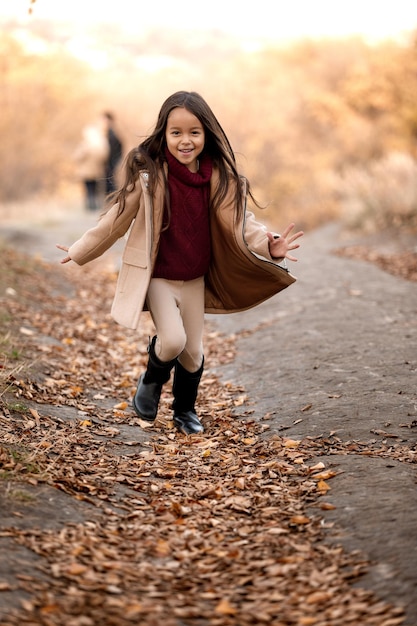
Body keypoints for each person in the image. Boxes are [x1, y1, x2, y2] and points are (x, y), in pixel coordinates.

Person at [57, 91, 303, 435]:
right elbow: (116, 219)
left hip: (195, 280)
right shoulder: (150, 176)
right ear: (164, 133)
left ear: (206, 135)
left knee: (193, 353)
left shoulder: (218, 178)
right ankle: (151, 379)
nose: (185, 141)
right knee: (171, 340)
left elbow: (242, 222)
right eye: (176, 133)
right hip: (160, 277)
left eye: (194, 132)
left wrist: (268, 245)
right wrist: (81, 249)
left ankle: (184, 411)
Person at [74, 123, 109, 211]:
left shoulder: (86, 145)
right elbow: (104, 156)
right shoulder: (101, 144)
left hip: (87, 171)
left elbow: (77, 156)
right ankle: (95, 204)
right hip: (97, 170)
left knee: (88, 188)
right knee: (95, 188)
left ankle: (90, 205)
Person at [103, 111, 123, 195]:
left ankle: (113, 197)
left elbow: (116, 148)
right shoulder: (110, 132)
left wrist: (113, 161)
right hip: (111, 161)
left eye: (104, 119)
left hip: (111, 161)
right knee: (109, 180)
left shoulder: (112, 133)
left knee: (109, 181)